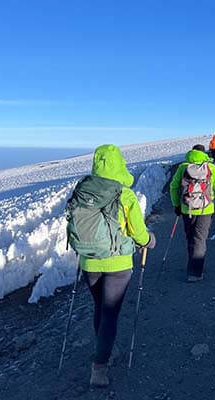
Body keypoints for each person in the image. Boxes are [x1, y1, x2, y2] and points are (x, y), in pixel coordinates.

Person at [74, 144, 156, 387]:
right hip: (118, 264)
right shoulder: (125, 195)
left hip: (89, 261)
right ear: (119, 164)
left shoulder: (83, 191)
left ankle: (105, 347)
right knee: (110, 313)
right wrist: (149, 241)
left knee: (99, 307)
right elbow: (138, 233)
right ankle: (99, 367)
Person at [169, 144, 215, 281]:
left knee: (190, 237)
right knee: (199, 239)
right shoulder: (211, 168)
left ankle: (193, 265)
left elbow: (173, 187)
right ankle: (195, 273)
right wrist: (212, 196)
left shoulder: (183, 167)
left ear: (191, 152)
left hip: (186, 208)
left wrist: (176, 205)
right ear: (203, 153)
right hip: (205, 210)